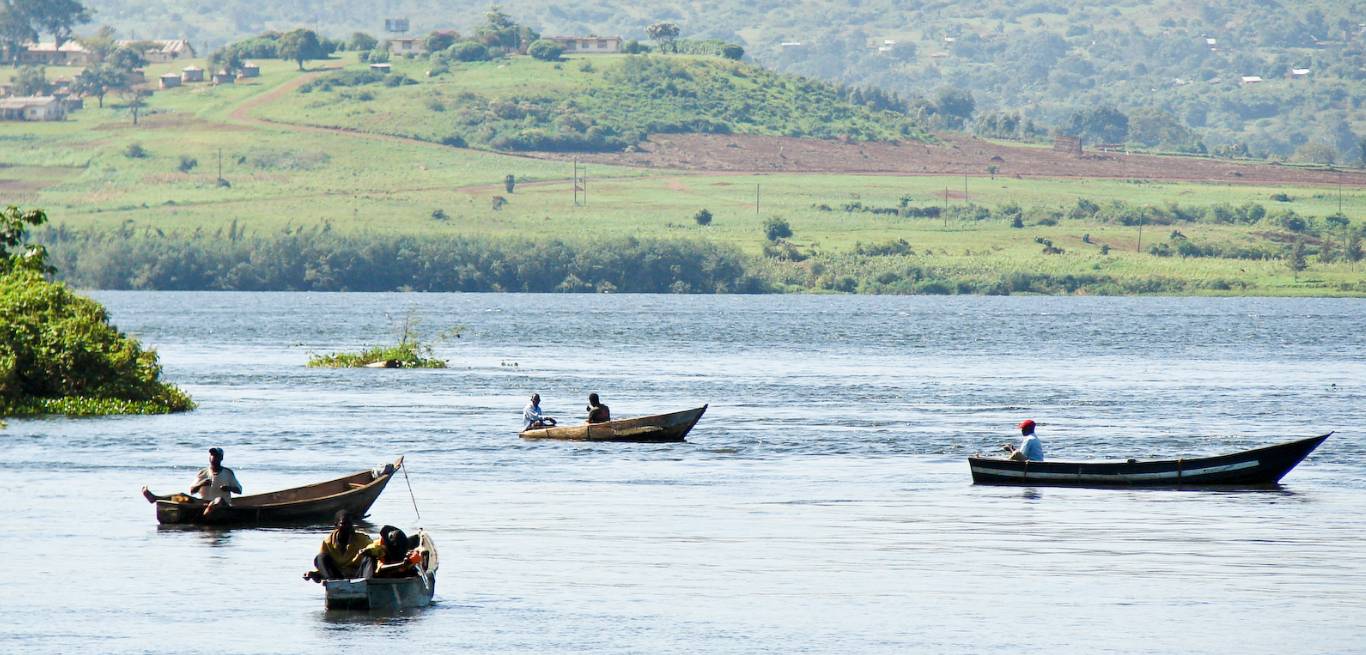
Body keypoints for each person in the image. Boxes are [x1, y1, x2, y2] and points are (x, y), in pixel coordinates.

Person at [141, 447, 243, 516]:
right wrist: (201, 484)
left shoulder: (228, 473)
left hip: (223, 505)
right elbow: (192, 490)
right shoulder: (203, 473)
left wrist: (228, 488)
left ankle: (210, 510)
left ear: (221, 458)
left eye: (216, 456)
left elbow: (239, 490)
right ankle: (155, 498)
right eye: (212, 455)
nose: (213, 457)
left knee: (219, 500)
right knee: (181, 495)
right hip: (203, 503)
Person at [304, 511, 374, 582]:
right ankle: (332, 583)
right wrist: (314, 574)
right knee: (320, 557)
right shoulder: (328, 542)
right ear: (336, 525)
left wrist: (368, 551)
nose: (348, 527)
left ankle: (367, 583)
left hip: (358, 575)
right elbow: (322, 565)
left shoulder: (362, 539)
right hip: (336, 576)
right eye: (343, 524)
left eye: (350, 523)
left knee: (370, 556)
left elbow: (374, 548)